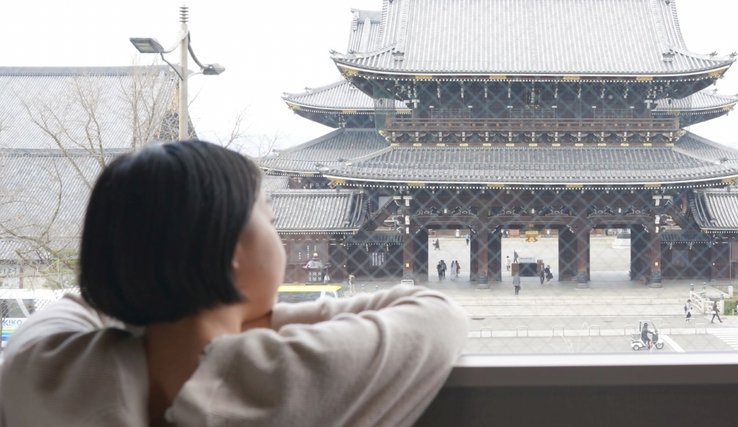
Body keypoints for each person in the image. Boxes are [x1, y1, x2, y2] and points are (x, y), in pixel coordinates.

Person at [0, 140, 468, 427]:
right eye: (270, 217)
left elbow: (77, 304)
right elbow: (434, 315)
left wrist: (173, 285)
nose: (281, 237)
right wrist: (255, 318)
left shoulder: (43, 369)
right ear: (230, 251)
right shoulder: (289, 374)